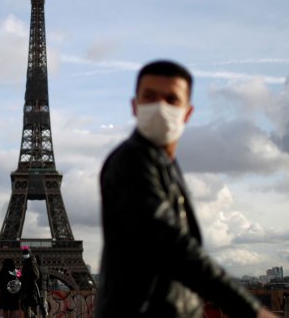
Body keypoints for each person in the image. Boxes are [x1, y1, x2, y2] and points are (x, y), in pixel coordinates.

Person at [96, 60, 276, 318]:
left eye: (171, 99)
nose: (160, 107)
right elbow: (172, 245)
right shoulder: (132, 162)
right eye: (150, 97)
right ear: (135, 106)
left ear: (188, 112)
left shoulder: (162, 163)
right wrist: (251, 310)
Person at [19, 246, 40, 318]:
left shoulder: (31, 262)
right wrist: (20, 276)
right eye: (24, 253)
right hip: (27, 288)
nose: (25, 254)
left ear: (29, 253)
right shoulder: (26, 263)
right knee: (24, 306)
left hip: (30, 289)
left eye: (26, 253)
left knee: (26, 306)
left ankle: (34, 316)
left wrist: (24, 278)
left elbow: (36, 275)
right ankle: (34, 316)